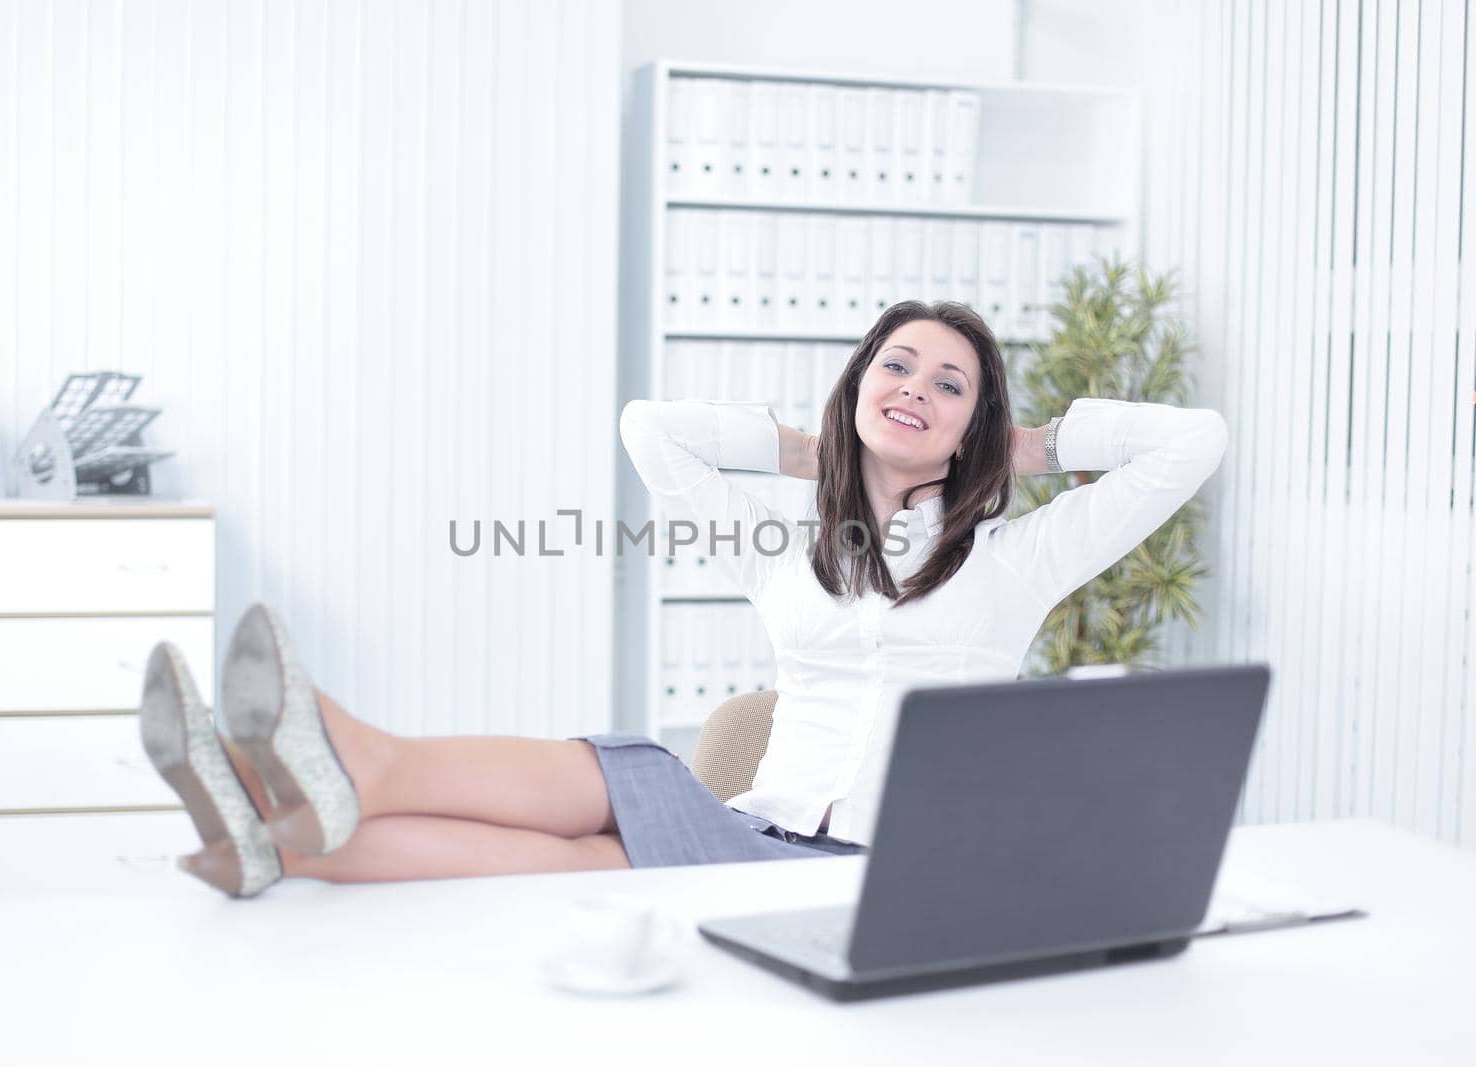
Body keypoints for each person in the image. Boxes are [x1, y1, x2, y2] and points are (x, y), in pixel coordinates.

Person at [140, 299, 1229, 898]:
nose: (917, 389)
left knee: (591, 859)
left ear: (974, 423)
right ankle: (270, 822)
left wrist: (1025, 447)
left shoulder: (1022, 557)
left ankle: (300, 761)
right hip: (751, 831)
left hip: (872, 874)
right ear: (855, 387)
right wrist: (811, 449)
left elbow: (1193, 441)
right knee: (620, 772)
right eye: (895, 367)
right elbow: (647, 430)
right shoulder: (788, 544)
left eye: (952, 385)